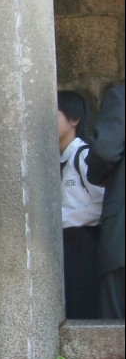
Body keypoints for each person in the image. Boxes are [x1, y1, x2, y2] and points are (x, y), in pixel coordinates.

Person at [57, 90, 104, 319]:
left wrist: (63, 219)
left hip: (84, 242)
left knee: (82, 304)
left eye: (54, 117)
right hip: (66, 243)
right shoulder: (58, 160)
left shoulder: (83, 156)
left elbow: (101, 204)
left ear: (74, 120)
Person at [86, 84, 125, 320]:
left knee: (116, 337)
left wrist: (98, 176)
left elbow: (105, 150)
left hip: (122, 237)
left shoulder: (121, 96)